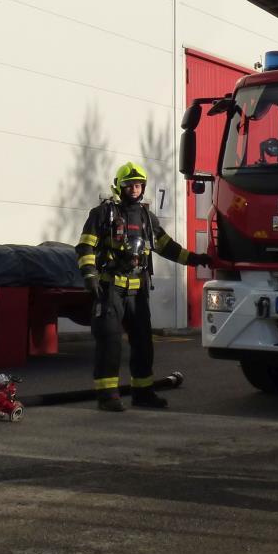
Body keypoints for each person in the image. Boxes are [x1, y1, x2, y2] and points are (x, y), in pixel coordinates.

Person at [75, 162, 209, 412]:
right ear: (119, 186)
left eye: (138, 185)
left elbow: (167, 247)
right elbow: (85, 246)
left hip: (138, 291)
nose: (134, 189)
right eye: (129, 185)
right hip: (110, 289)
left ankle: (143, 393)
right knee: (110, 342)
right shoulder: (103, 214)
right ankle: (108, 397)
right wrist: (90, 275)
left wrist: (195, 259)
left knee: (143, 343)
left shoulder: (147, 218)